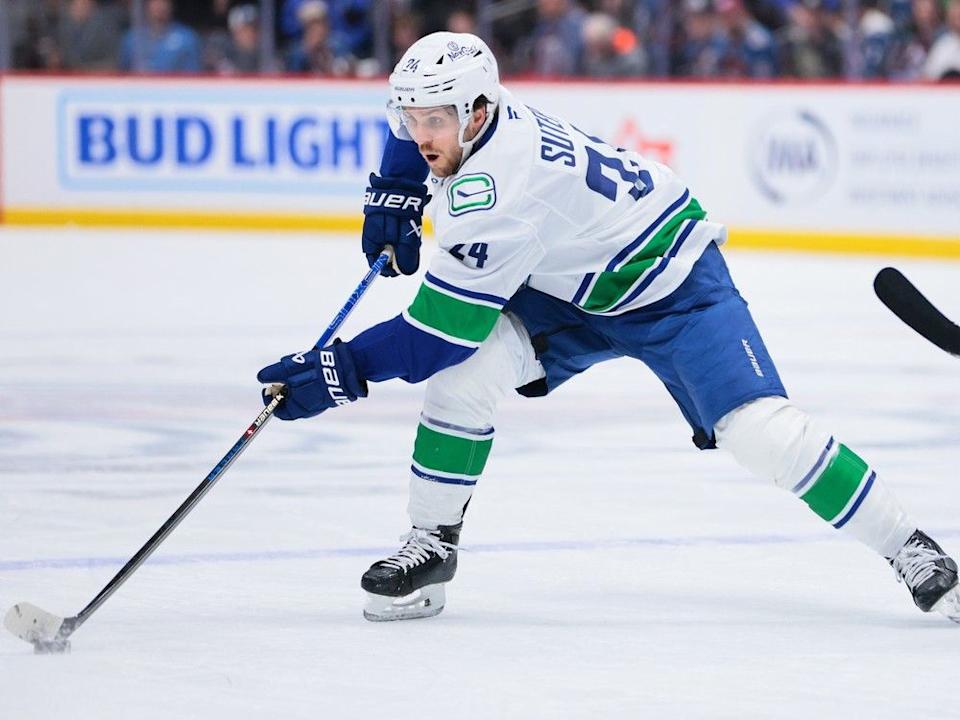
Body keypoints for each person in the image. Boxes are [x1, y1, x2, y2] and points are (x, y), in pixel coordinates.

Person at [257, 31, 960, 623]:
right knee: (465, 379)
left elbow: (437, 334)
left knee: (760, 433)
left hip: (674, 285)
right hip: (572, 287)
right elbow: (408, 130)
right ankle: (433, 544)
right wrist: (397, 184)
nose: (418, 134)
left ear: (476, 113)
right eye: (411, 117)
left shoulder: (496, 191)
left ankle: (912, 548)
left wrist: (341, 370)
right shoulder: (476, 115)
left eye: (433, 121)